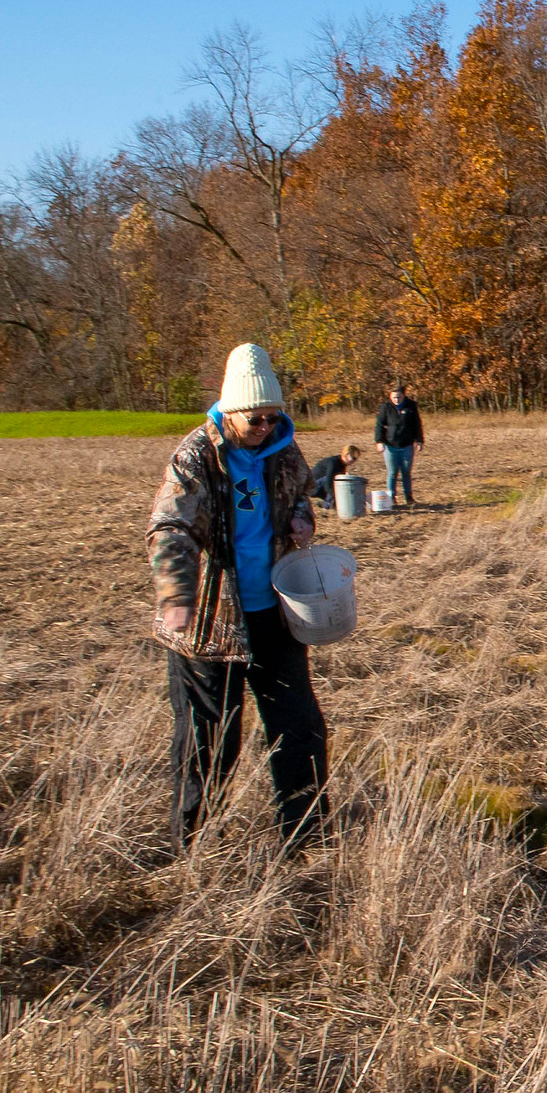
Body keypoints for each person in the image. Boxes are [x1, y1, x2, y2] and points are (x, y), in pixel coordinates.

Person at [147, 343, 326, 850]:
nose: (265, 426)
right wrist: (177, 595)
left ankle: (307, 842)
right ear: (229, 411)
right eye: (256, 419)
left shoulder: (284, 450)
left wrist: (301, 521)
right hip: (208, 623)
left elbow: (300, 499)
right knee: (209, 742)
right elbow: (171, 528)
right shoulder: (196, 456)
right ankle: (195, 845)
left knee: (301, 728)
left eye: (273, 417)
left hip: (273, 615)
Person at [373, 382, 425, 507]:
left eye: (399, 397)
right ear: (390, 396)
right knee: (392, 472)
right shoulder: (385, 407)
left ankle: (409, 497)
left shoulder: (411, 406)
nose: (396, 400)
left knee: (406, 471)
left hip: (407, 445)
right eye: (394, 397)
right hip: (390, 446)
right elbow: (379, 425)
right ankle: (392, 497)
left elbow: (417, 424)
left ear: (403, 396)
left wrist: (420, 440)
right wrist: (379, 441)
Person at [309, 444, 361, 510]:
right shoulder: (333, 463)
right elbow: (328, 485)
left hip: (322, 487)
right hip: (312, 487)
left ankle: (327, 504)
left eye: (355, 458)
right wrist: (339, 497)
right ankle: (327, 505)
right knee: (335, 483)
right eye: (353, 458)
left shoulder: (342, 465)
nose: (354, 461)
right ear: (347, 455)